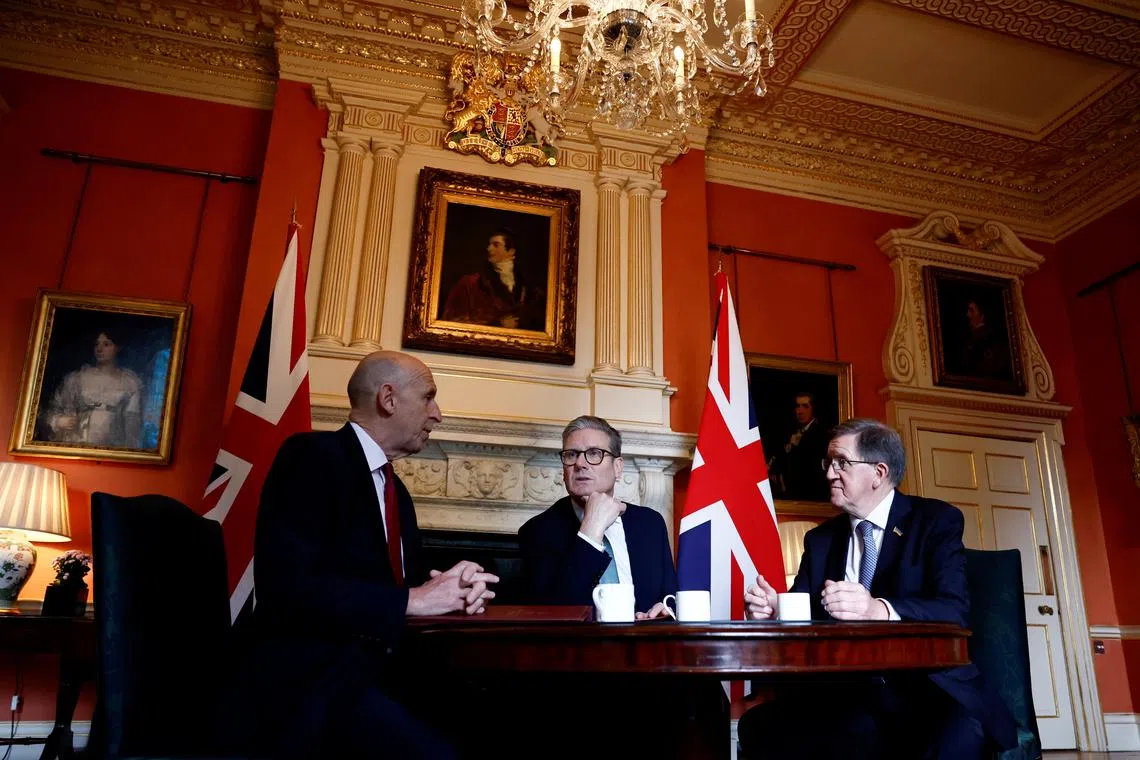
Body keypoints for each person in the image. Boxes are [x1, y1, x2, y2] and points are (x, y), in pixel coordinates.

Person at [252, 350, 498, 760]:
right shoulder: (312, 457)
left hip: (384, 669)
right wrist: (414, 600)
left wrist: (451, 585)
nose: (437, 414)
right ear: (388, 398)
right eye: (429, 397)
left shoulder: (394, 490)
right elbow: (286, 591)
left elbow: (403, 587)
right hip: (317, 682)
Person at [739, 418, 1017, 760]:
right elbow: (804, 613)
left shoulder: (934, 521)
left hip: (925, 689)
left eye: (842, 462)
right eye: (828, 463)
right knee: (761, 726)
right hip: (844, 693)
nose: (829, 473)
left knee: (956, 736)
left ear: (879, 473)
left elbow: (953, 610)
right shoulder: (821, 540)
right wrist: (774, 609)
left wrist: (878, 610)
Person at [518, 415, 677, 617]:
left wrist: (665, 611)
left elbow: (669, 597)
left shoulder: (650, 524)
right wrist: (591, 530)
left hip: (641, 644)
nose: (580, 464)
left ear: (617, 468)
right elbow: (555, 615)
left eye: (594, 453)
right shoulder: (538, 531)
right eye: (572, 455)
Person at [42, 329, 143, 448]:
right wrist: (59, 421)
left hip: (112, 444)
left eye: (106, 344)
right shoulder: (77, 378)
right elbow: (54, 409)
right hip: (78, 441)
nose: (99, 349)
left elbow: (133, 424)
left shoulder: (130, 382)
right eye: (96, 344)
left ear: (118, 347)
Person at [439, 227, 546, 330]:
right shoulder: (470, 283)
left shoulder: (529, 288)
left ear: (511, 251)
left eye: (496, 245)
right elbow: (452, 322)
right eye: (489, 244)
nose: (489, 248)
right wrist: (498, 324)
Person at [767, 391, 829, 501]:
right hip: (789, 492)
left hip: (810, 494)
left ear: (813, 409)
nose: (800, 411)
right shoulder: (791, 430)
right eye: (797, 406)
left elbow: (811, 465)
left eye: (805, 406)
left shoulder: (822, 433)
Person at [958, 299, 1011, 380]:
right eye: (968, 311)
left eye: (971, 311)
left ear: (982, 316)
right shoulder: (972, 337)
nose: (967, 314)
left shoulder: (985, 337)